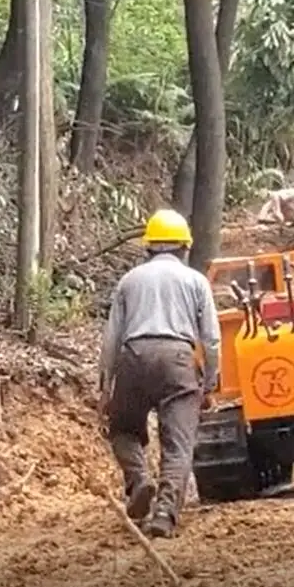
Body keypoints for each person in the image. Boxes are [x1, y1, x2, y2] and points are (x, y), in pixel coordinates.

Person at [98, 209, 221, 539]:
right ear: (185, 247)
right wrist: (210, 382)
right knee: (178, 444)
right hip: (177, 361)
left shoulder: (129, 281)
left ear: (149, 246)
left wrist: (105, 388)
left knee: (122, 430)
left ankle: (138, 479)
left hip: (133, 357)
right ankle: (164, 514)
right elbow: (211, 339)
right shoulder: (195, 281)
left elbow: (111, 339)